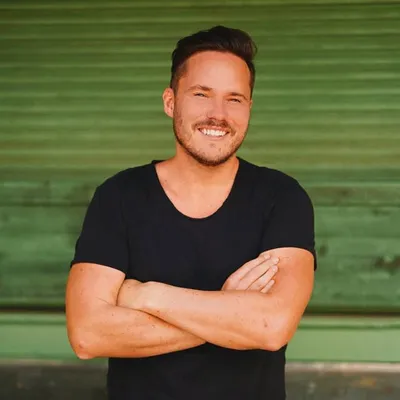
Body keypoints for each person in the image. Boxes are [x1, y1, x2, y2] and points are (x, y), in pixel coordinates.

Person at [66, 25, 316, 400]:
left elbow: (272, 326)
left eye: (234, 99)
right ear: (170, 102)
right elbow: (88, 335)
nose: (218, 114)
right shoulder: (119, 196)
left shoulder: (281, 197)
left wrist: (148, 296)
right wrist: (229, 309)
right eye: (201, 94)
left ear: (249, 107)